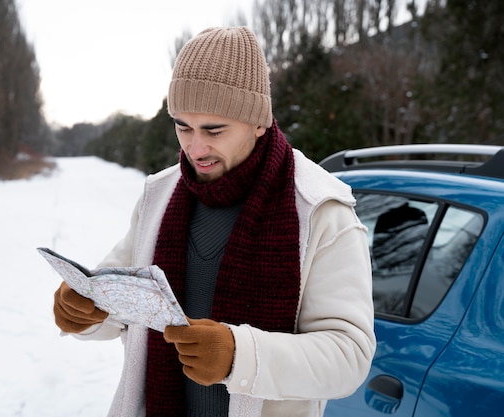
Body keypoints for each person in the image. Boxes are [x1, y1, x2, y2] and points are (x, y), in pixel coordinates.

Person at [53, 26, 375, 417]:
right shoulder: (160, 194)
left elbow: (348, 357)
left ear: (258, 122)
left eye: (214, 130)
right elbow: (123, 304)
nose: (195, 147)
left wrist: (239, 355)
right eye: (183, 126)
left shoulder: (320, 208)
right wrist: (86, 314)